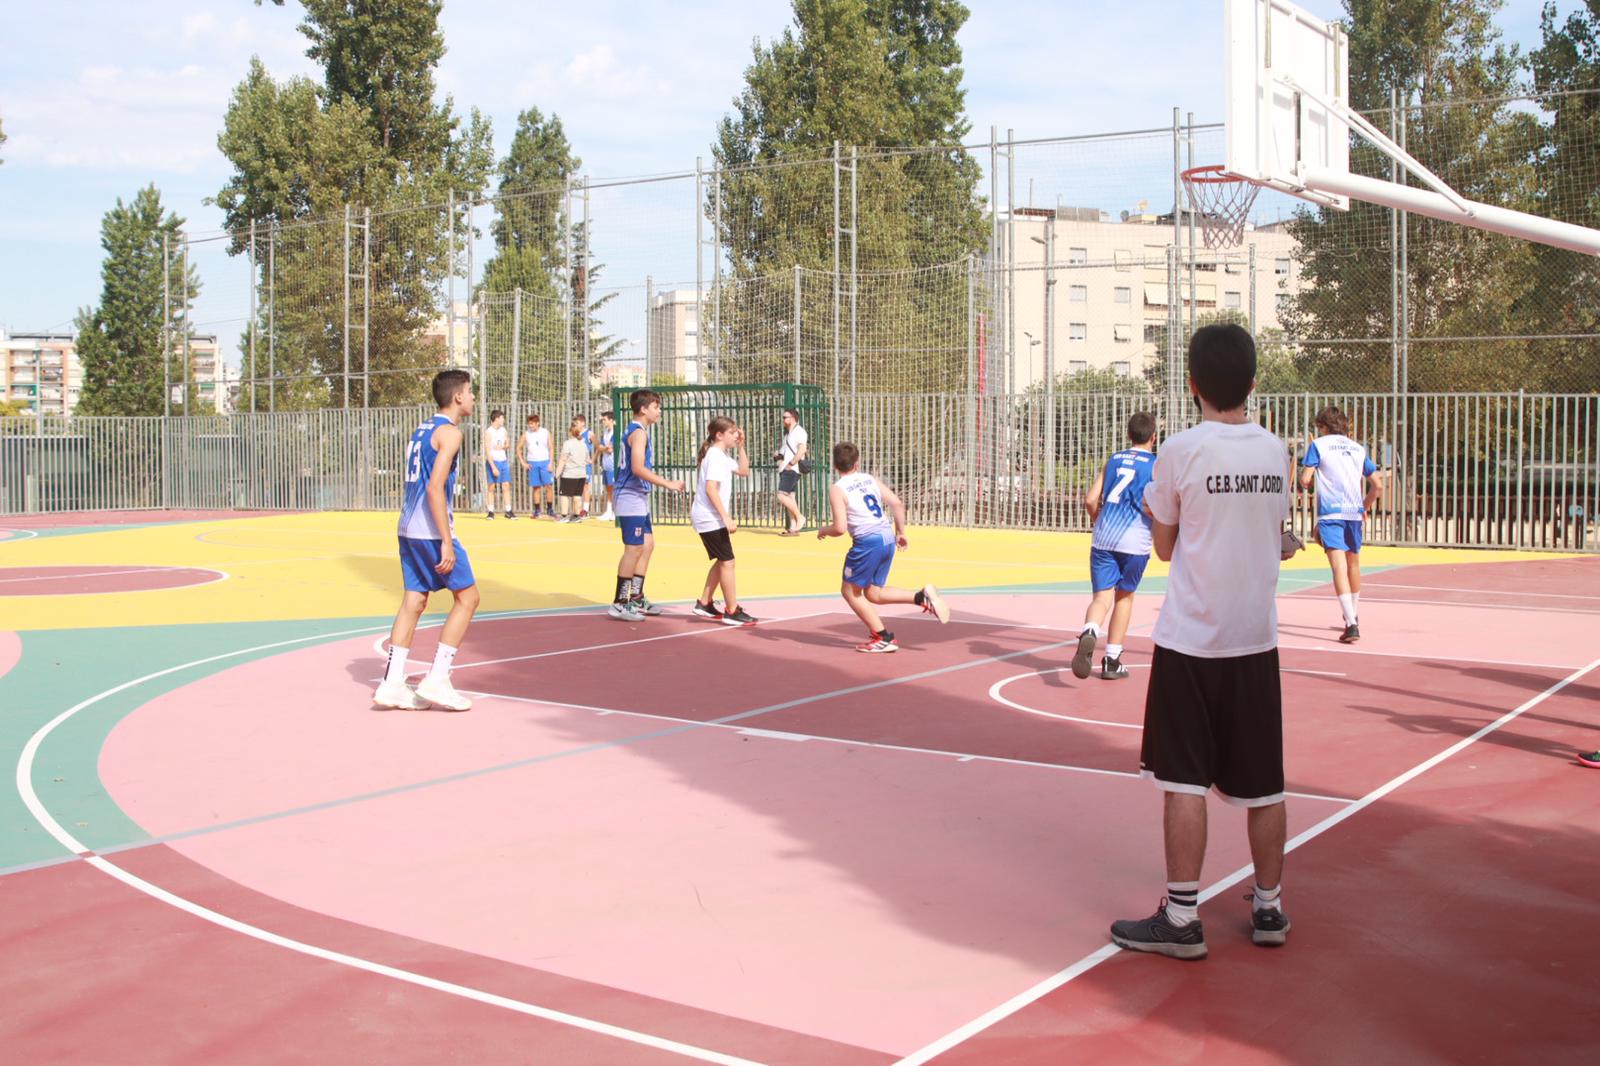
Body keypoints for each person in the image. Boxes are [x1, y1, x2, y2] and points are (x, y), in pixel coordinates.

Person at [1109, 323, 1302, 961]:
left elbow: (1163, 547)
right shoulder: (1275, 451)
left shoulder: (1182, 452)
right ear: (1251, 383)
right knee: (1264, 784)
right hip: (1255, 639)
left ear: (1192, 385)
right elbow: (1276, 535)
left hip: (1192, 640)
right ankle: (1270, 908)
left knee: (1184, 781)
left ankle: (1183, 918)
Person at [373, 369, 481, 713]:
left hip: (407, 527)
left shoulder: (421, 430)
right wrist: (446, 542)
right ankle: (437, 677)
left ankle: (391, 684)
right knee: (468, 598)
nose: (474, 397)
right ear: (458, 397)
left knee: (414, 601)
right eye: (471, 391)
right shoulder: (450, 434)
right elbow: (434, 488)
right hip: (431, 530)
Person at [817, 441, 949, 651]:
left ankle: (883, 637)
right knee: (873, 593)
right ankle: (920, 597)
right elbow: (896, 503)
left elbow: (840, 528)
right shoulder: (869, 479)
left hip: (868, 542)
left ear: (834, 465)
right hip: (886, 537)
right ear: (857, 464)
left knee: (850, 592)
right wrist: (901, 532)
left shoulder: (837, 489)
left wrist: (824, 530)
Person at [1072, 412, 1158, 681]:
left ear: (1128, 434)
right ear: (1153, 437)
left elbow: (1090, 499)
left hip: (1103, 538)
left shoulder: (1113, 460)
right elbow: (1156, 505)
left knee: (1101, 598)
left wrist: (1098, 520)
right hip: (1136, 540)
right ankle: (1112, 660)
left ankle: (1089, 630)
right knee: (1124, 597)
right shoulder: (1156, 465)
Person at [1300, 406, 1383, 643]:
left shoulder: (1319, 446)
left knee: (1338, 567)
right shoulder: (1357, 448)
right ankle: (1351, 616)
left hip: (1331, 513)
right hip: (1353, 514)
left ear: (1324, 427)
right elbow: (1377, 485)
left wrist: (1306, 481)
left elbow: (1305, 480)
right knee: (1353, 566)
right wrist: (1364, 507)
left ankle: (1352, 624)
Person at [610, 389, 685, 621]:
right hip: (629, 496)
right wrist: (668, 484)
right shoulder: (639, 433)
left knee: (648, 544)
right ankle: (620, 602)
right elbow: (638, 468)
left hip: (637, 496)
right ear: (643, 409)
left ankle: (636, 595)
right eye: (656, 407)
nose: (659, 411)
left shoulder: (638, 431)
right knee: (633, 549)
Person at [689, 417, 757, 625]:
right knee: (728, 561)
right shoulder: (715, 457)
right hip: (709, 517)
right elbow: (711, 489)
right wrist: (726, 518)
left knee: (722, 560)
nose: (736, 435)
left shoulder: (721, 455)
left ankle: (704, 602)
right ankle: (731, 610)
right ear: (719, 435)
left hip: (711, 517)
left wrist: (742, 447)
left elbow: (744, 472)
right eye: (732, 432)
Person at [775, 407, 808, 535]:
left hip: (792, 469)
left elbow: (802, 449)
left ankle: (800, 517)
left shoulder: (799, 431)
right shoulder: (788, 435)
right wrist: (777, 455)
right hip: (786, 468)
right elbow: (783, 454)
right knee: (790, 497)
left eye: (785, 417)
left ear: (793, 418)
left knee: (781, 495)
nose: (783, 420)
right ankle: (793, 526)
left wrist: (791, 463)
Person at [552, 418, 590, 523]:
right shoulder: (583, 444)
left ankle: (564, 516)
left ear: (570, 432)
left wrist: (557, 474)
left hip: (569, 474)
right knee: (577, 495)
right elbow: (587, 460)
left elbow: (563, 460)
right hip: (581, 474)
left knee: (564, 495)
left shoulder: (568, 443)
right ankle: (576, 516)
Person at [519, 413, 555, 519]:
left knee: (549, 486)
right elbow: (518, 448)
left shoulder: (546, 432)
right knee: (536, 488)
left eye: (532, 424)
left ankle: (550, 510)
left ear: (537, 423)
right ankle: (537, 511)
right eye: (529, 424)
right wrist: (523, 462)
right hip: (532, 463)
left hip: (545, 462)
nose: (530, 426)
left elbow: (551, 447)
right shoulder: (526, 434)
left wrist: (550, 463)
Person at [481, 410, 514, 520]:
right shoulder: (488, 432)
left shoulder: (503, 430)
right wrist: (493, 467)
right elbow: (488, 451)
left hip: (503, 461)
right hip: (493, 461)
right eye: (502, 418)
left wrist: (504, 446)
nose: (503, 420)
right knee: (491, 487)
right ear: (496, 419)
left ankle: (508, 511)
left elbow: (507, 443)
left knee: (505, 485)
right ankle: (490, 512)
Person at [596, 411, 617, 522]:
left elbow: (610, 449)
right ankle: (608, 511)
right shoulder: (605, 432)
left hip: (614, 465)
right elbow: (600, 447)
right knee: (608, 489)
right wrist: (604, 448)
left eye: (604, 419)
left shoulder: (616, 432)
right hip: (606, 465)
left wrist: (603, 448)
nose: (603, 422)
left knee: (614, 488)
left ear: (611, 420)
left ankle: (615, 512)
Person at [575, 413, 595, 520]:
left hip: (585, 465)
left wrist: (592, 459)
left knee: (585, 487)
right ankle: (578, 509)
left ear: (583, 423)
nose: (576, 425)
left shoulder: (589, 433)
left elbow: (598, 446)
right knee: (578, 487)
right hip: (576, 464)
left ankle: (586, 510)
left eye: (577, 423)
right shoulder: (575, 433)